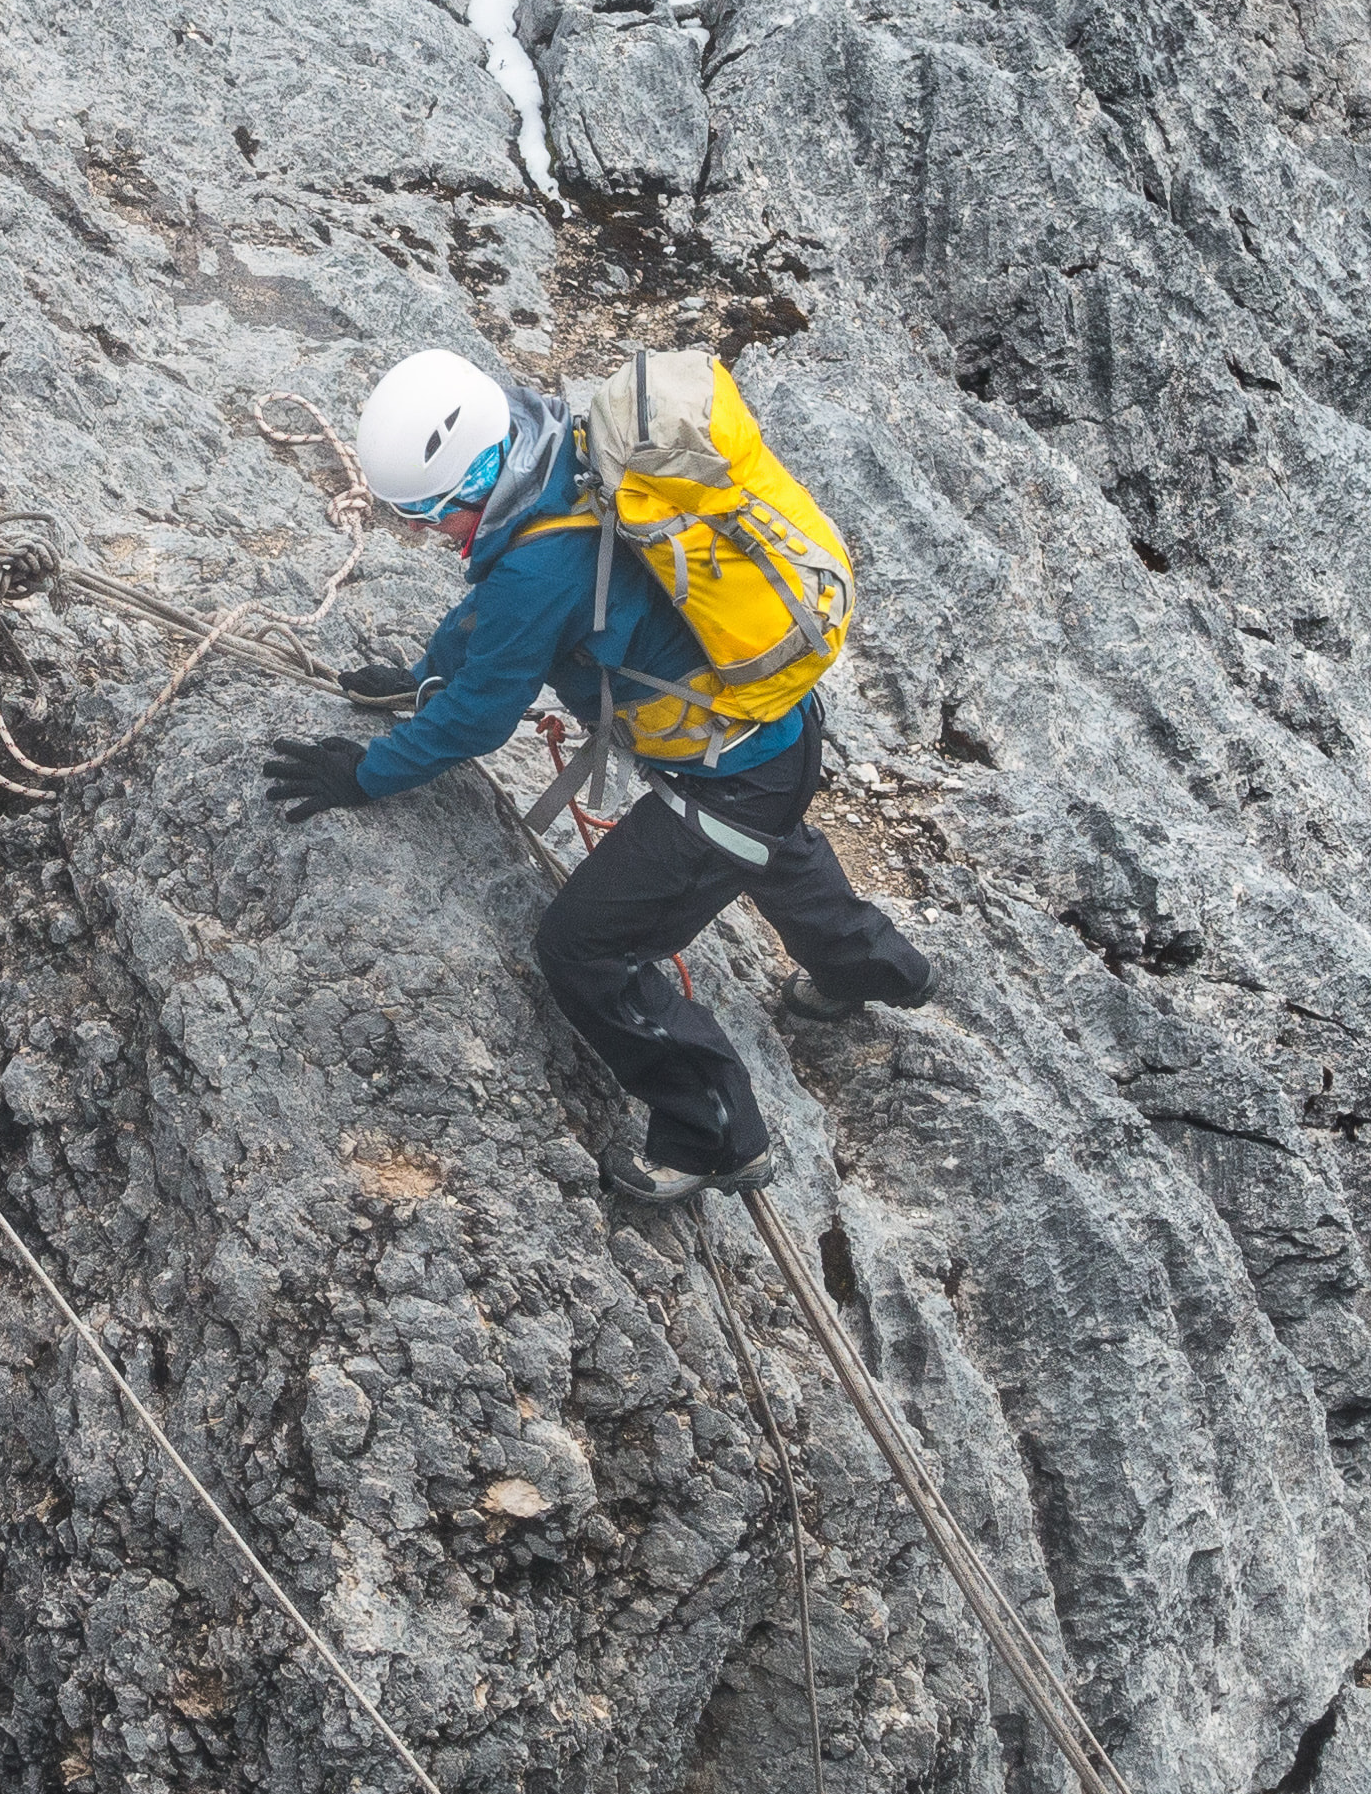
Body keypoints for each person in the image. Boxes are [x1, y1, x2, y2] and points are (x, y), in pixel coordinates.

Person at [261, 346, 935, 1202]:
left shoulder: (539, 565)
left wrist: (366, 774)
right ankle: (879, 969)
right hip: (774, 742)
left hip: (725, 781)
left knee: (585, 948)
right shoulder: (565, 454)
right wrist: (424, 679)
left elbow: (479, 712)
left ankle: (712, 1136)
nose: (426, 533)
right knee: (772, 850)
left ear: (473, 481)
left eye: (429, 514)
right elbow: (491, 621)